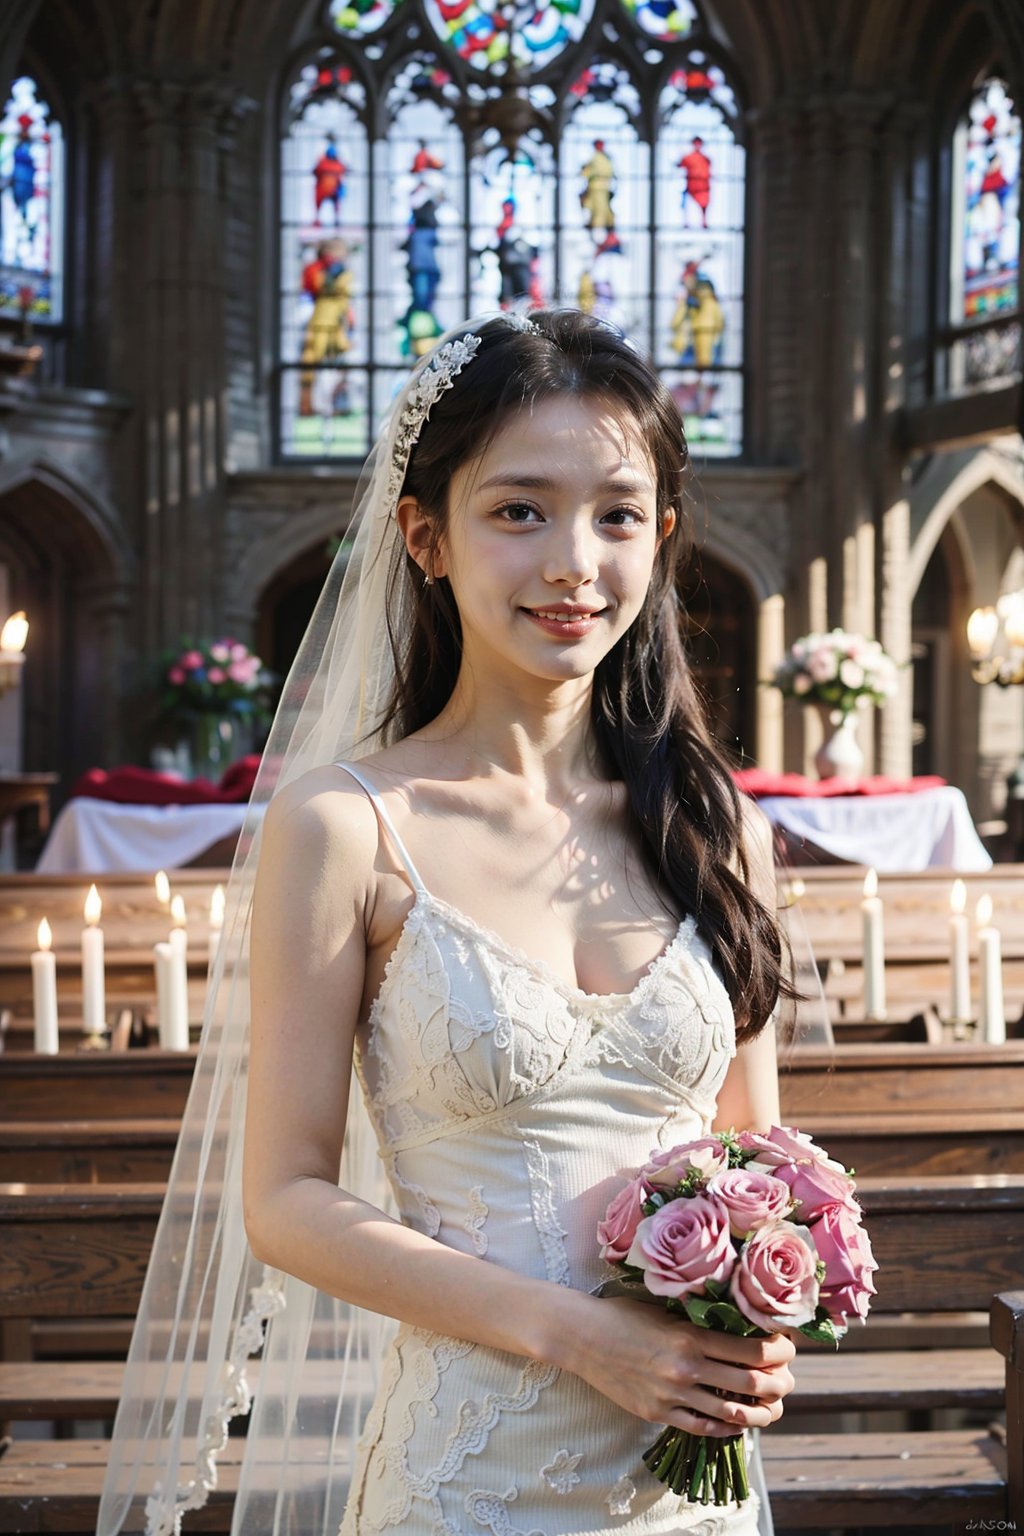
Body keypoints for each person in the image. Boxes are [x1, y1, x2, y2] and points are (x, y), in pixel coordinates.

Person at [98, 308, 796, 1536]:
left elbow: (755, 1152)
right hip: (470, 1479)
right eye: (520, 509)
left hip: (690, 1479)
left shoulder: (712, 823)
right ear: (425, 535)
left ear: (663, 536)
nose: (575, 561)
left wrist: (771, 1303)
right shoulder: (346, 826)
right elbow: (288, 1202)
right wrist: (576, 1334)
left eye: (618, 514)